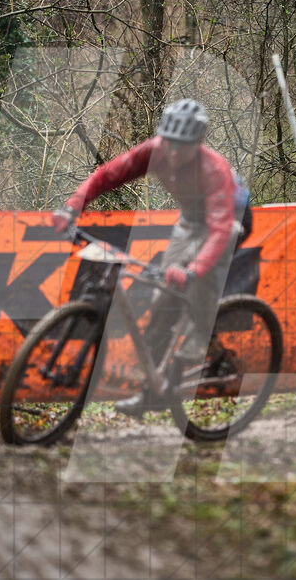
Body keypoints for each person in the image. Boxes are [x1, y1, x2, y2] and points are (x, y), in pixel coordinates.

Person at [52, 99, 251, 417]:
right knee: (162, 304)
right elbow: (106, 176)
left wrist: (194, 269)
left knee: (196, 278)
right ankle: (153, 393)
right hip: (191, 219)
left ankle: (201, 339)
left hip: (228, 220)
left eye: (181, 146)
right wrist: (72, 207)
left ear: (197, 145)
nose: (172, 152)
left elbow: (218, 231)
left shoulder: (213, 169)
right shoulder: (154, 150)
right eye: (169, 143)